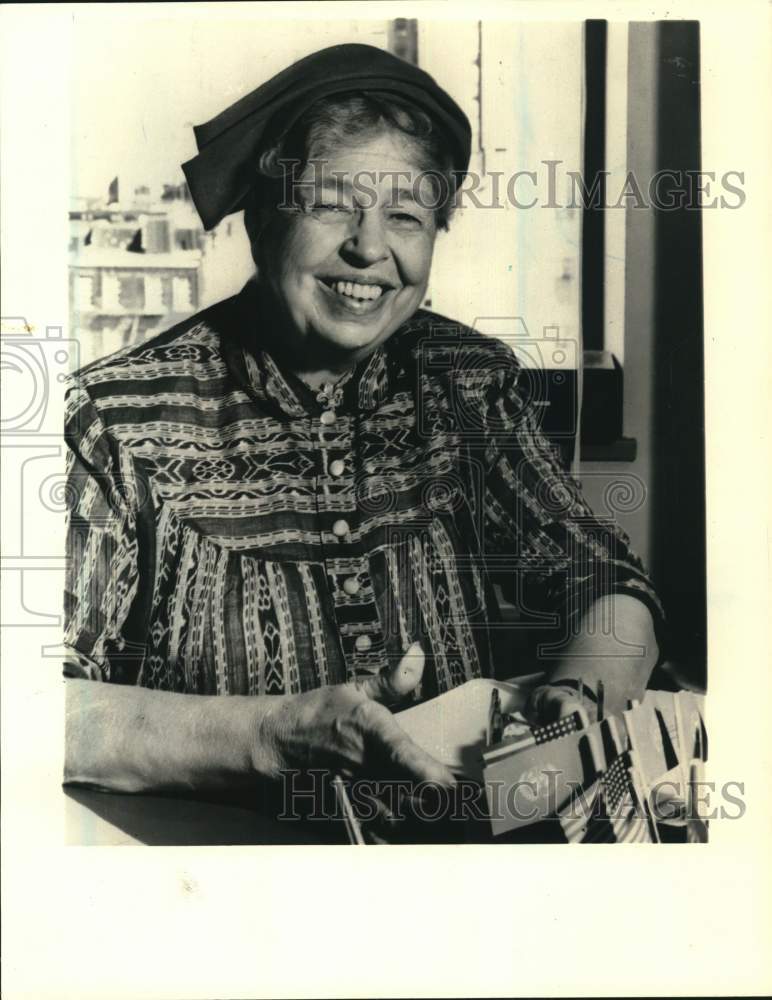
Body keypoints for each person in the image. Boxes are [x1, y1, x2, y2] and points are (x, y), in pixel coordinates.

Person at [64, 44, 664, 803]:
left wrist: (578, 699)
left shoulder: (466, 384)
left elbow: (605, 580)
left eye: (406, 216)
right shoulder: (115, 418)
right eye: (331, 204)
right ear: (261, 216)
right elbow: (37, 711)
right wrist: (268, 735)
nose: (371, 248)